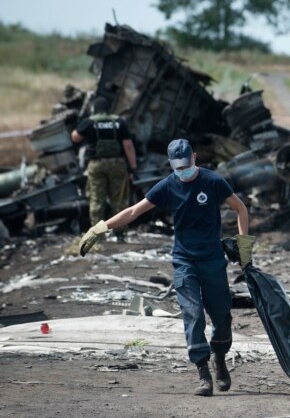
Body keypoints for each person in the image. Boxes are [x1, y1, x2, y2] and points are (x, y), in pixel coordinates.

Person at [78, 139, 255, 397]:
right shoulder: (168, 185)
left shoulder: (213, 181)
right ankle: (203, 373)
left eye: (186, 165)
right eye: (177, 166)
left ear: (194, 158)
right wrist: (101, 227)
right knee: (192, 313)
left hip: (213, 260)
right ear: (171, 164)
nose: (182, 170)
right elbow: (134, 211)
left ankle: (219, 358)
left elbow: (240, 208)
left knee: (222, 317)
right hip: (184, 261)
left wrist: (245, 248)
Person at [71, 96, 137, 240]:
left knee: (96, 200)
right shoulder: (119, 122)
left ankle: (97, 236)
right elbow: (128, 146)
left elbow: (75, 137)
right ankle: (120, 234)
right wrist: (132, 168)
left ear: (94, 109)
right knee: (119, 200)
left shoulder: (89, 122)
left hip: (96, 165)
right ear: (108, 109)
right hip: (117, 164)